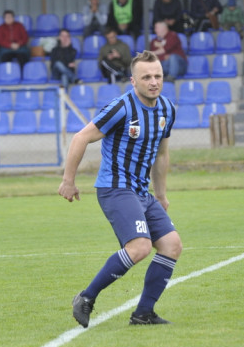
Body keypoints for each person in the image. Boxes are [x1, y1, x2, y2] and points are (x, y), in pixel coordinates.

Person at [59, 50, 180, 328]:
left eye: (158, 76)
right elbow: (80, 138)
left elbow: (161, 154)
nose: (153, 82)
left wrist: (160, 194)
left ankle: (143, 313)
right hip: (115, 188)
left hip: (142, 192)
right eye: (146, 77)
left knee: (172, 246)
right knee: (140, 247)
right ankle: (86, 298)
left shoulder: (167, 109)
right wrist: (68, 180)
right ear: (133, 81)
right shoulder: (120, 108)